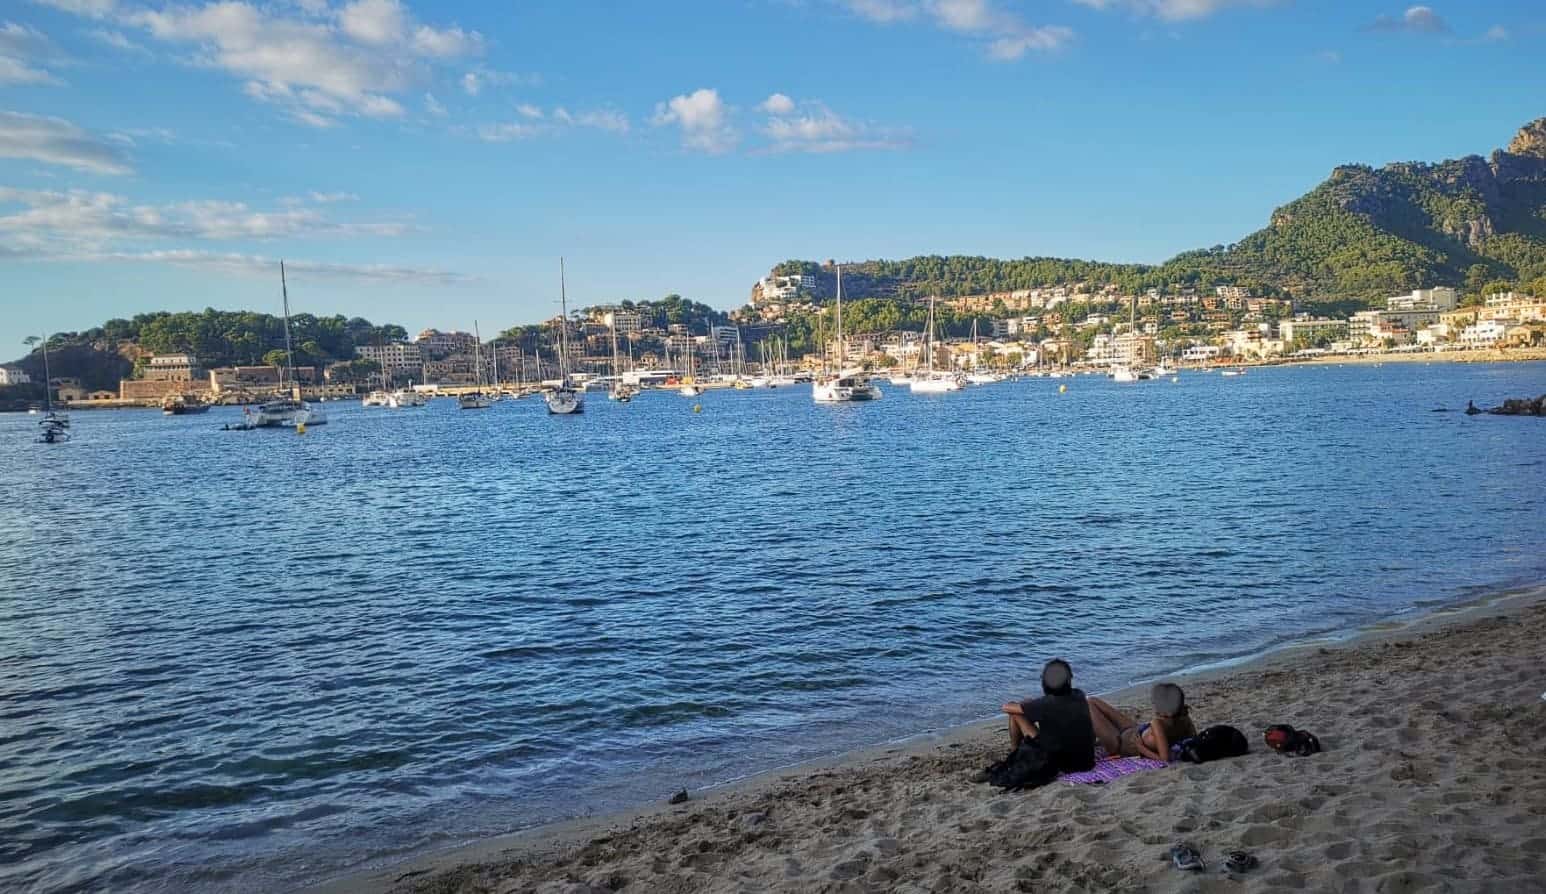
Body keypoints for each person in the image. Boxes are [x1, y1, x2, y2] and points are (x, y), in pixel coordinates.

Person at [998, 659, 1096, 774]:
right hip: (1086, 761)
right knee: (1026, 709)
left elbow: (1006, 707)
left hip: (1059, 764)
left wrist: (1025, 705)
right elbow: (1054, 707)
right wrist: (1030, 705)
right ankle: (1015, 753)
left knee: (1015, 713)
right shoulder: (1079, 694)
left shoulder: (1045, 704)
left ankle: (1013, 754)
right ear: (1069, 679)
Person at [1087, 682, 1196, 763]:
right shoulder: (1184, 718)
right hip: (1135, 730)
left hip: (1119, 744)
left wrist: (1141, 748)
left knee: (1088, 704)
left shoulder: (1158, 723)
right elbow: (1193, 739)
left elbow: (1165, 759)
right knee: (1092, 700)